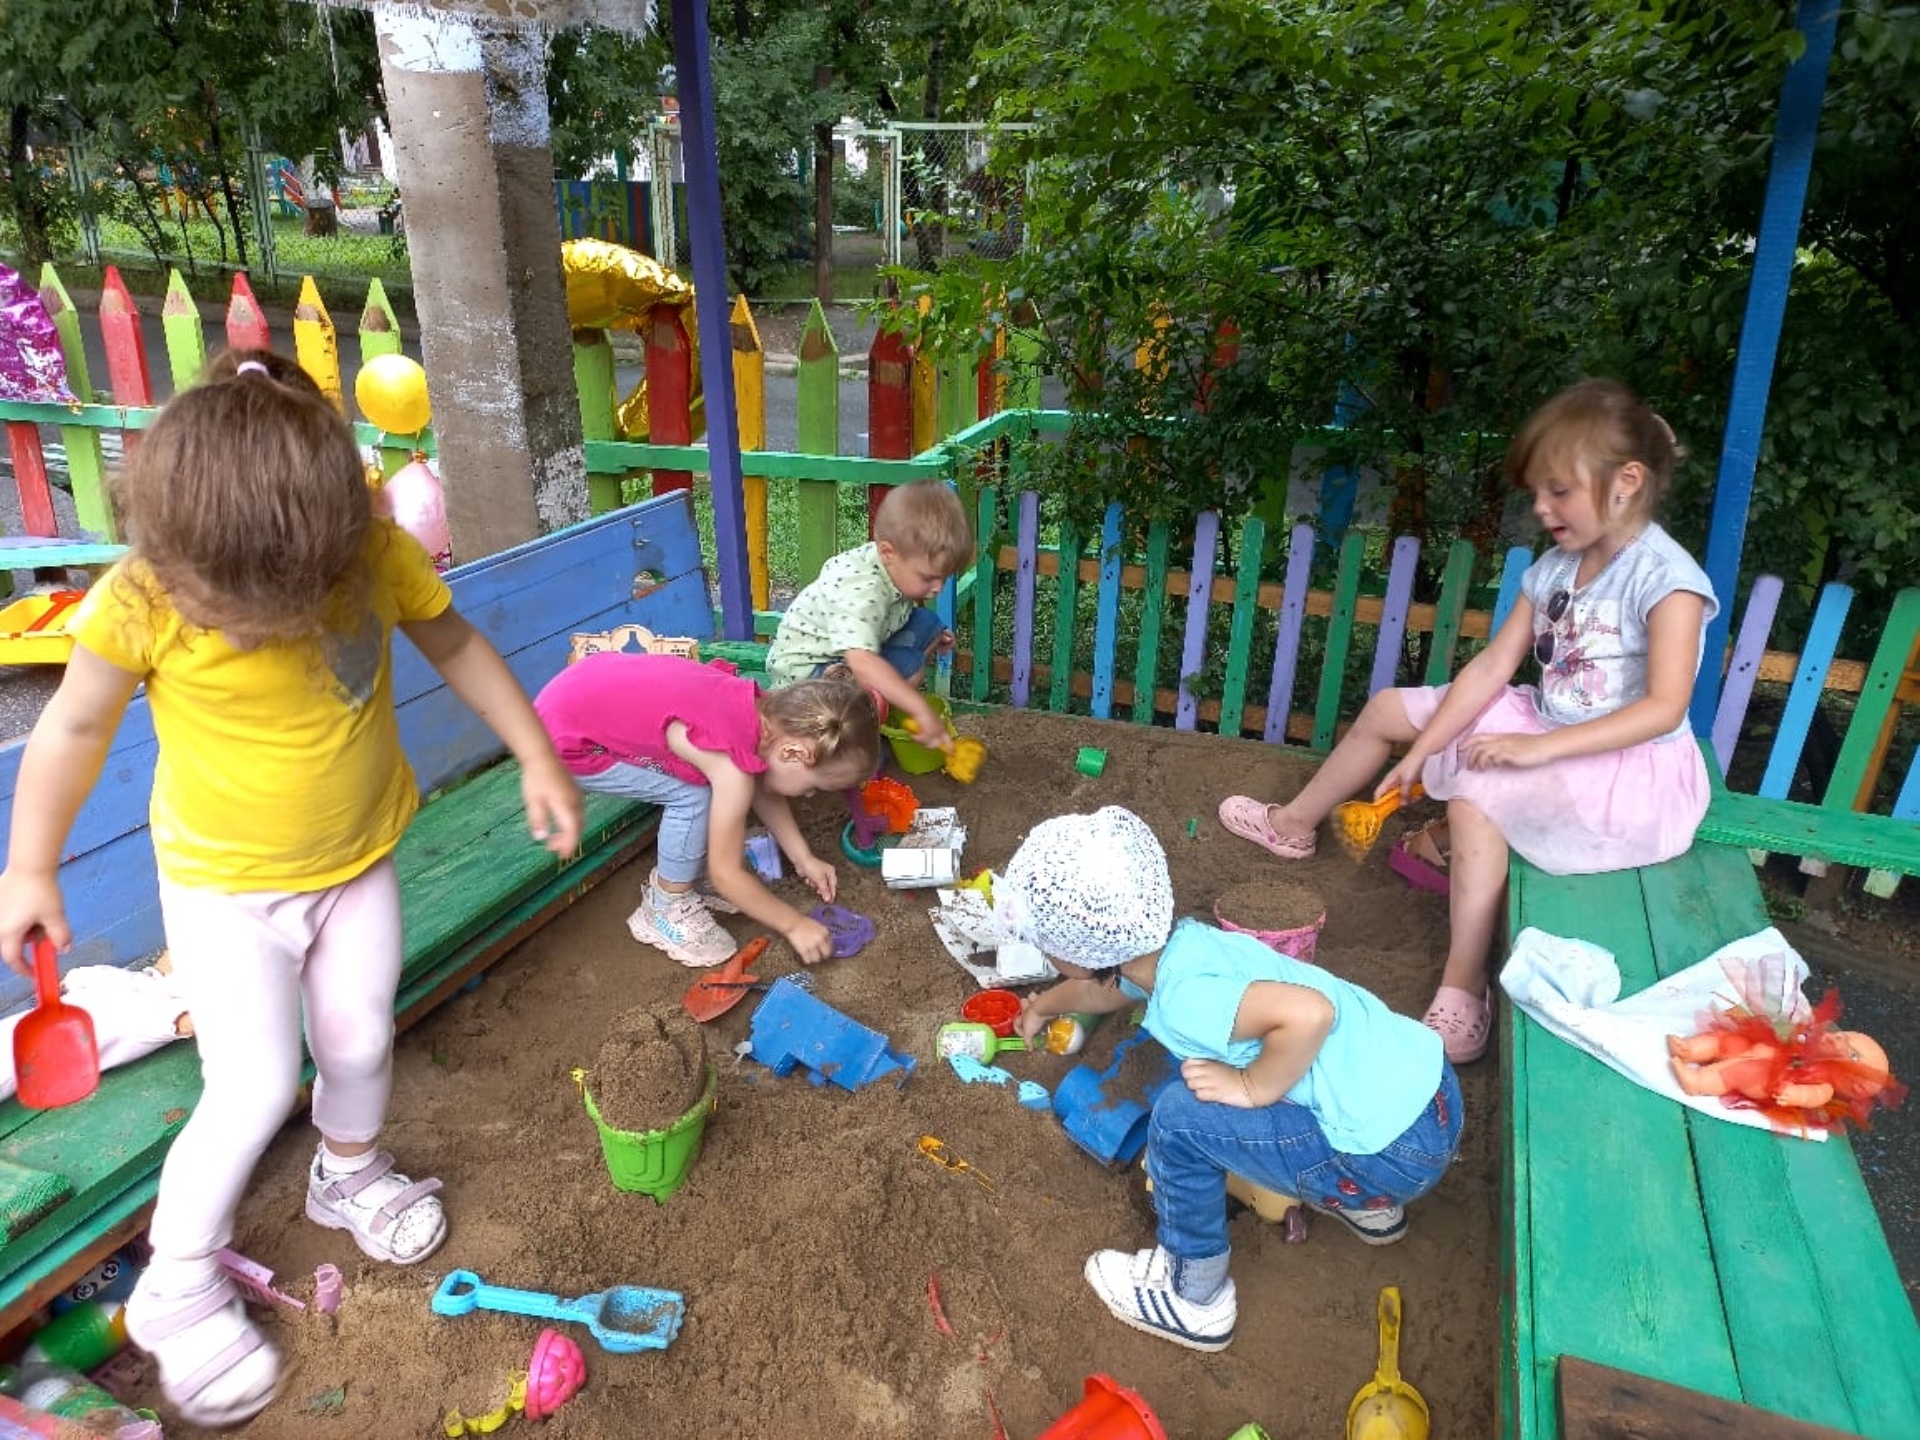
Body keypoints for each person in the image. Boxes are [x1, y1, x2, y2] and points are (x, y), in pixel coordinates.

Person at [0, 349, 585, 1428]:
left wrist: (538, 754)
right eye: (231, 606)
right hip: (222, 893)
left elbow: (455, 642)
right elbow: (74, 726)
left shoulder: (371, 549)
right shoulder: (145, 593)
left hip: (356, 862)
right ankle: (176, 1287)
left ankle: (348, 1174)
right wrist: (31, 866)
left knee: (361, 1039)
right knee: (256, 1084)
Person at [1218, 379, 1717, 1065]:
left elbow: (1664, 708)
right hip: (1548, 725)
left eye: (1559, 491)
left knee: (1481, 795)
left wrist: (1532, 752)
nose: (1542, 508)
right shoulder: (1557, 567)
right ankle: (1295, 825)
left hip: (1624, 771)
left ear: (1627, 481)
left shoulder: (1668, 581)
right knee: (1391, 708)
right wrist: (1421, 751)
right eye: (1538, 492)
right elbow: (1492, 668)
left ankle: (1464, 988)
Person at [1000, 807, 1461, 1353]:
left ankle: (1194, 1297)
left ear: (1076, 951)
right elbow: (1112, 985)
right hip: (1431, 1098)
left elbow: (1309, 1014)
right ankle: (1370, 1209)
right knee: (1297, 1081)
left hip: (1387, 1157)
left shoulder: (1188, 999)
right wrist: (1046, 1006)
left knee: (1177, 1120)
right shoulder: (1185, 947)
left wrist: (1251, 1088)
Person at [534, 654, 880, 967]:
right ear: (793, 753)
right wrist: (794, 924)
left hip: (581, 689)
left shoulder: (766, 717)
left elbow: (760, 777)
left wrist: (803, 857)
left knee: (717, 784)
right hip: (560, 741)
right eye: (814, 786)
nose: (808, 796)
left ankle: (684, 867)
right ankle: (664, 905)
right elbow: (726, 875)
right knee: (694, 795)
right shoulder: (732, 766)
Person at [763, 479, 974, 744]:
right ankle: (855, 732)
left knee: (930, 624)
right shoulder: (862, 588)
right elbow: (861, 661)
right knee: (911, 670)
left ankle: (877, 703)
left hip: (848, 652)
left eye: (944, 577)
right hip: (808, 676)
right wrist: (918, 707)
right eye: (929, 577)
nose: (938, 588)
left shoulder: (895, 563)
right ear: (888, 552)